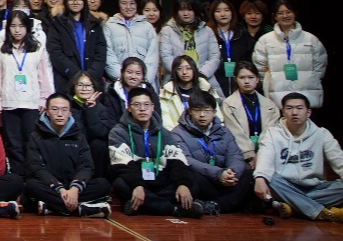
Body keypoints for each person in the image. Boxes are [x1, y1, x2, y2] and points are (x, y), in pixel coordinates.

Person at [107, 86, 202, 217]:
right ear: (128, 107)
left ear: (153, 107)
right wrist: (137, 185)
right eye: (137, 105)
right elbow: (123, 166)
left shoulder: (164, 132)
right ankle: (175, 209)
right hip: (137, 179)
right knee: (121, 185)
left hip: (161, 178)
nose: (142, 109)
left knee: (192, 185)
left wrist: (182, 184)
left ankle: (144, 205)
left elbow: (177, 161)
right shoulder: (118, 132)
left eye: (146, 104)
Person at [253, 93, 343, 223]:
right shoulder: (272, 133)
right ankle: (322, 213)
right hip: (285, 186)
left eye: (299, 108)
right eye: (289, 108)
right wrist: (260, 178)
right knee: (269, 179)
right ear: (283, 112)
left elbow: (341, 161)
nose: (294, 113)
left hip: (315, 187)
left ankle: (294, 207)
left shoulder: (321, 134)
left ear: (308, 112)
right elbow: (265, 156)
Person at [23, 93, 112, 217]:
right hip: (51, 186)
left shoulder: (79, 136)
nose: (60, 114)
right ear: (47, 112)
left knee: (103, 184)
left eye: (64, 110)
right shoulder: (36, 137)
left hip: (73, 186)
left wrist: (75, 188)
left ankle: (53, 207)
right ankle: (82, 209)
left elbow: (86, 166)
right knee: (31, 186)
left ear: (70, 112)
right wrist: (59, 189)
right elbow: (36, 168)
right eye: (55, 109)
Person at [171, 91, 253, 215]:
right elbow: (187, 160)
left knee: (250, 174)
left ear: (214, 113)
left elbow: (235, 155)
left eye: (207, 111)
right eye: (197, 110)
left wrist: (231, 173)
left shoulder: (224, 131)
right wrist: (218, 173)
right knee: (191, 176)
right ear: (190, 111)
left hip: (226, 180)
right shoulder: (178, 133)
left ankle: (216, 205)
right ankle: (230, 202)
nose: (202, 115)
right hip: (205, 180)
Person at [0, 10, 54, 177]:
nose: (17, 30)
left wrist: (44, 99)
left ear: (27, 27)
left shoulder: (37, 48)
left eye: (21, 26)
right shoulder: (1, 49)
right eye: (13, 26)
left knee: (30, 141)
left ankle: (33, 177)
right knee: (13, 144)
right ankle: (18, 178)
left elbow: (43, 75)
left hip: (31, 102)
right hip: (8, 101)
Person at [252, 0, 327, 108]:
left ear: (295, 14)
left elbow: (320, 65)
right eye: (280, 13)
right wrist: (270, 81)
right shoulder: (265, 40)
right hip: (277, 97)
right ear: (274, 16)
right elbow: (259, 68)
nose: (285, 16)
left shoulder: (310, 39)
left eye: (288, 12)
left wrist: (311, 79)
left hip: (307, 95)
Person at [46, 0, 107, 94]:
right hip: (67, 81)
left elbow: (101, 53)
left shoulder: (95, 24)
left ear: (84, 1)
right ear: (66, 1)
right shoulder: (57, 24)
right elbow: (55, 52)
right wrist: (77, 75)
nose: (75, 2)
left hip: (92, 82)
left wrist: (89, 76)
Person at [221, 60, 280, 168]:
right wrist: (249, 155)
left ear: (257, 79)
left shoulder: (270, 104)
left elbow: (271, 131)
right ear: (235, 79)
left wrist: (261, 154)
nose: (247, 81)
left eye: (251, 77)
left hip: (267, 152)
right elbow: (235, 132)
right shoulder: (228, 104)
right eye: (242, 78)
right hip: (240, 155)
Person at [159, 0, 220, 92]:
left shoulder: (207, 31)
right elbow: (166, 56)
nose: (186, 13)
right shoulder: (167, 31)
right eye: (181, 10)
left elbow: (214, 56)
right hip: (175, 80)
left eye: (189, 9)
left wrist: (200, 75)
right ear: (176, 12)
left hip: (204, 79)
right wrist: (182, 72)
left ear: (195, 11)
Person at [103, 0, 160, 83]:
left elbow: (152, 57)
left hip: (143, 84)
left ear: (137, 5)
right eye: (124, 3)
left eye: (132, 3)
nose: (128, 7)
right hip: (117, 83)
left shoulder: (147, 27)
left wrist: (144, 80)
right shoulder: (109, 26)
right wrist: (121, 78)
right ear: (118, 4)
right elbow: (108, 55)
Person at [160, 55, 220, 131]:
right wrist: (179, 135)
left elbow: (218, 117)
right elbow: (167, 122)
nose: (184, 72)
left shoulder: (206, 88)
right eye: (179, 69)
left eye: (188, 68)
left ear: (194, 70)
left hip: (207, 132)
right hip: (179, 134)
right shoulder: (166, 93)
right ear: (175, 71)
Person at [207, 0, 252, 96]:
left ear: (232, 12)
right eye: (218, 11)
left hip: (240, 82)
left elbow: (249, 58)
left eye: (226, 10)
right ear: (212, 14)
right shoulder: (208, 34)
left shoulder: (242, 34)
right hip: (215, 83)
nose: (223, 14)